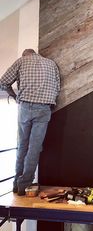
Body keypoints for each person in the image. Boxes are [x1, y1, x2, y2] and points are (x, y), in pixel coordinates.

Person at [0, 49, 60, 195]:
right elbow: (57, 89)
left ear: (25, 54)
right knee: (34, 148)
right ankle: (24, 186)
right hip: (45, 108)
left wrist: (14, 96)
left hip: (26, 107)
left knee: (22, 146)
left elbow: (3, 82)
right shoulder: (52, 64)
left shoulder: (22, 61)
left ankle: (16, 183)